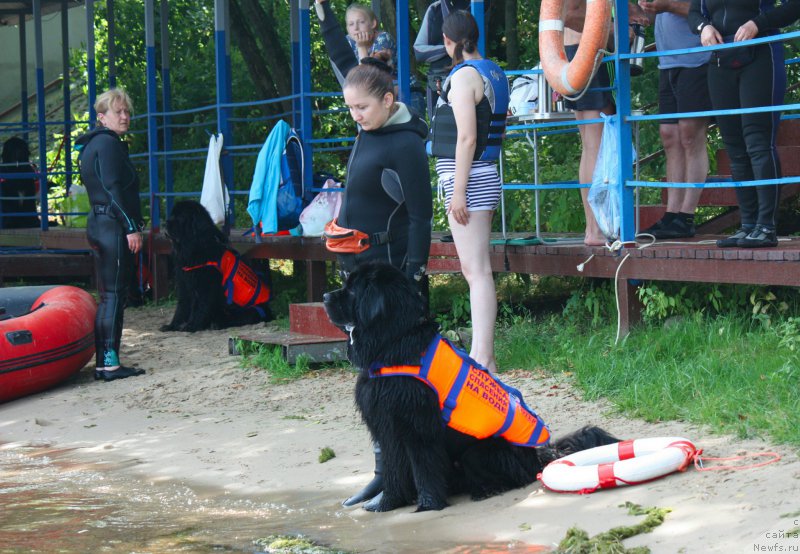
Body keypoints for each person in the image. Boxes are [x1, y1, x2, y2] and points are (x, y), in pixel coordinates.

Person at [316, 0, 433, 509]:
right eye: (350, 109)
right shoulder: (369, 129)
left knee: (395, 382)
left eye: (361, 108)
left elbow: (422, 216)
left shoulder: (403, 143)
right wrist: (323, 15)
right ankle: (385, 471)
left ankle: (405, 476)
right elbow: (343, 55)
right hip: (359, 269)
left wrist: (415, 275)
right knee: (369, 377)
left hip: (389, 279)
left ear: (388, 100)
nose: (355, 117)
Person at [430, 10, 508, 375]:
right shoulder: (494, 71)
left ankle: (484, 357)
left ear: (449, 42)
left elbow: (467, 137)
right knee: (474, 269)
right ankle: (480, 352)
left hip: (470, 180)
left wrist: (457, 191)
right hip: (483, 175)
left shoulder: (463, 78)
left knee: (477, 271)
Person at [688, 0, 800, 247]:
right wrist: (703, 28)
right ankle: (748, 225)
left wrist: (757, 24)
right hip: (720, 59)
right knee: (734, 147)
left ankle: (766, 227)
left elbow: (794, 7)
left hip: (760, 52)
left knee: (758, 141)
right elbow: (694, 11)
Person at [563, 0, 649, 245]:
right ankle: (595, 229)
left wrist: (630, 9)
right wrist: (614, 29)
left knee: (591, 145)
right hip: (585, 50)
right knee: (595, 146)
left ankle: (595, 227)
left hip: (574, 53)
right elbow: (570, 13)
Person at [75, 88, 146, 382]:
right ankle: (109, 363)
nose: (125, 116)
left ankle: (106, 362)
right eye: (119, 112)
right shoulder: (108, 145)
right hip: (112, 225)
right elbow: (113, 190)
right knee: (114, 297)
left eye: (127, 111)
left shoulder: (93, 145)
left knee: (108, 297)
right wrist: (131, 226)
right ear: (102, 117)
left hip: (100, 223)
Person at [639, 0, 712, 239]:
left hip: (696, 59)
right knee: (669, 136)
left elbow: (705, 11)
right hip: (668, 62)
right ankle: (672, 214)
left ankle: (687, 215)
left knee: (690, 135)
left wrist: (667, 6)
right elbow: (656, 15)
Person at [414, 0, 472, 118]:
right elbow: (419, 51)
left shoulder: (476, 5)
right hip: (438, 81)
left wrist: (453, 46)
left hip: (468, 76)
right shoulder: (435, 9)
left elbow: (475, 44)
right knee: (438, 128)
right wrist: (451, 47)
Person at [0, 136, 40, 229]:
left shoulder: (28, 170)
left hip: (26, 218)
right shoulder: (3, 171)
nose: (17, 155)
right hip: (7, 219)